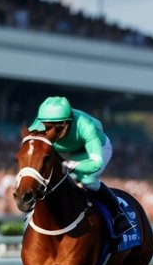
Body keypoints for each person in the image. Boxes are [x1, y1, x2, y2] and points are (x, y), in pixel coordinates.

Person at [26, 95, 131, 236]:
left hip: (94, 151)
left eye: (53, 128)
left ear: (66, 124)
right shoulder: (39, 123)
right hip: (64, 152)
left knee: (87, 180)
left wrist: (75, 166)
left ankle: (118, 214)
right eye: (46, 127)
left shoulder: (86, 126)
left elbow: (96, 163)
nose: (48, 132)